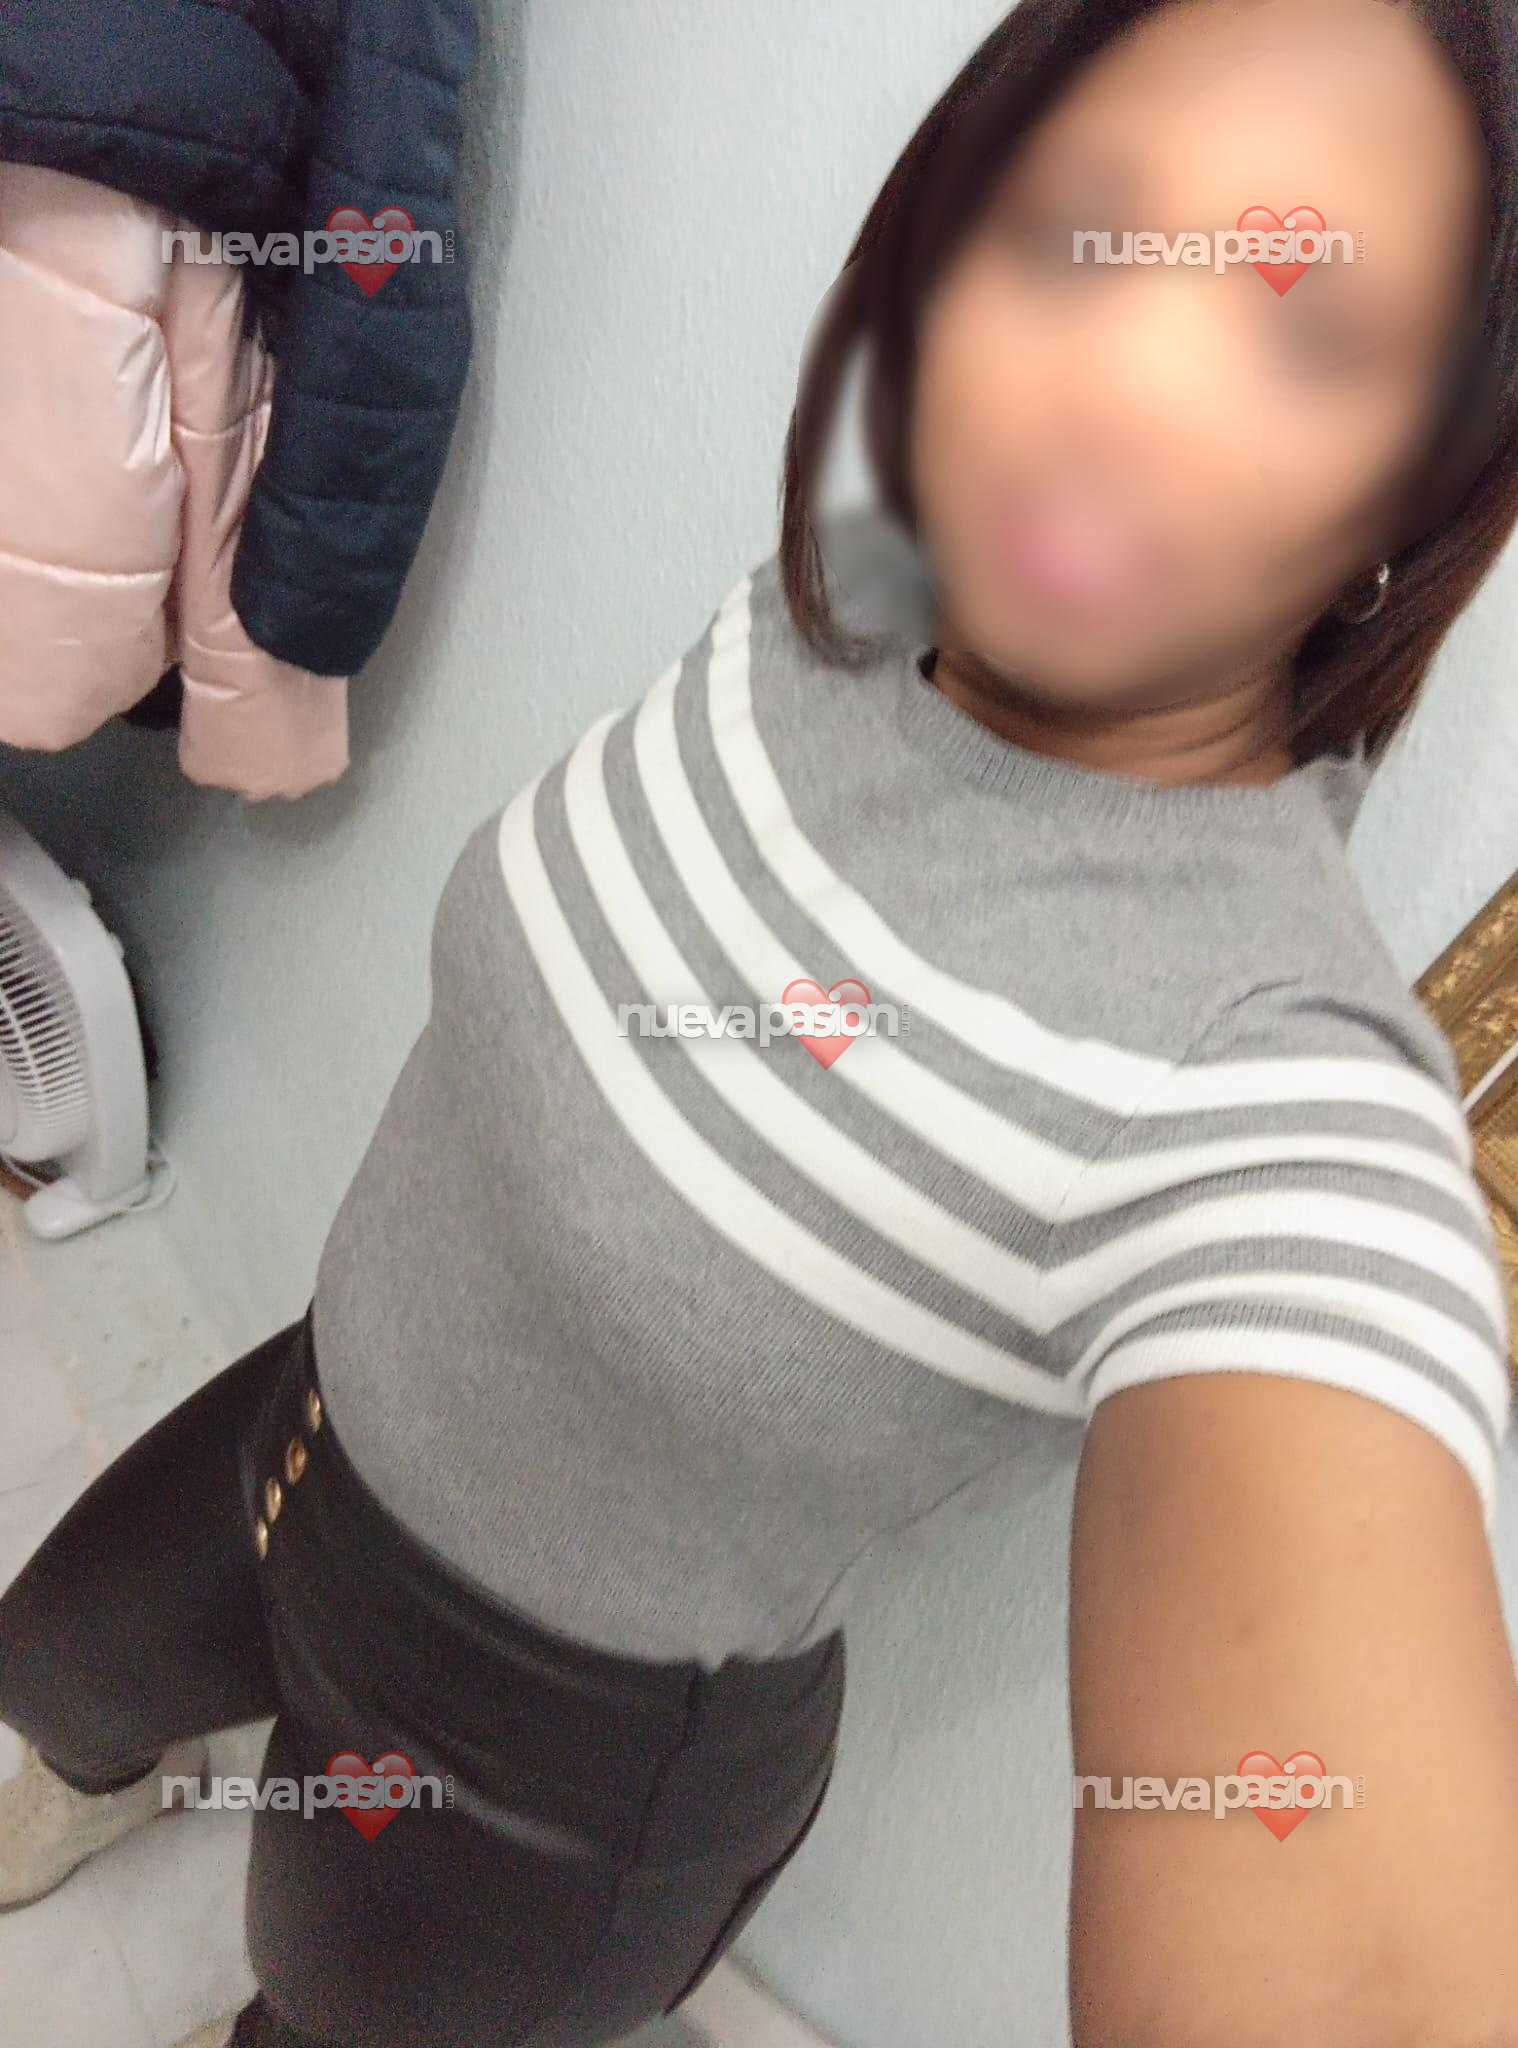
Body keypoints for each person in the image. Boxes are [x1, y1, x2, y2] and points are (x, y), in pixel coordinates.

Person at [4, 2, 1518, 2042]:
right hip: (311, 1411)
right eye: (1081, 227)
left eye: (1302, 331)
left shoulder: (1263, 1088)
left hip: (538, 1768)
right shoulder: (864, 589)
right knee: (51, 1667)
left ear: (1419, 483)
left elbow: (1343, 1904)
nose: (1121, 378)